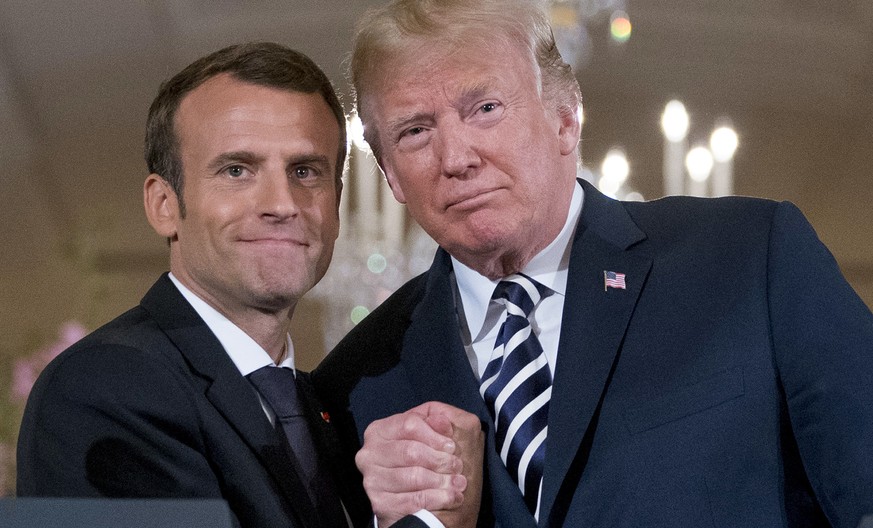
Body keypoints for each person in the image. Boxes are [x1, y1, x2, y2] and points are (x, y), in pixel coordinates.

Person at [312, 0, 873, 526]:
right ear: (388, 172)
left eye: (485, 109)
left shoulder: (749, 257)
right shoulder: (356, 385)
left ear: (564, 119)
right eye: (415, 132)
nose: (456, 159)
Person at [16, 42, 475, 528]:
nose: (282, 203)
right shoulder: (106, 386)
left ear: (337, 203)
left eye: (305, 171)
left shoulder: (323, 406)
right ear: (164, 204)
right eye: (237, 170)